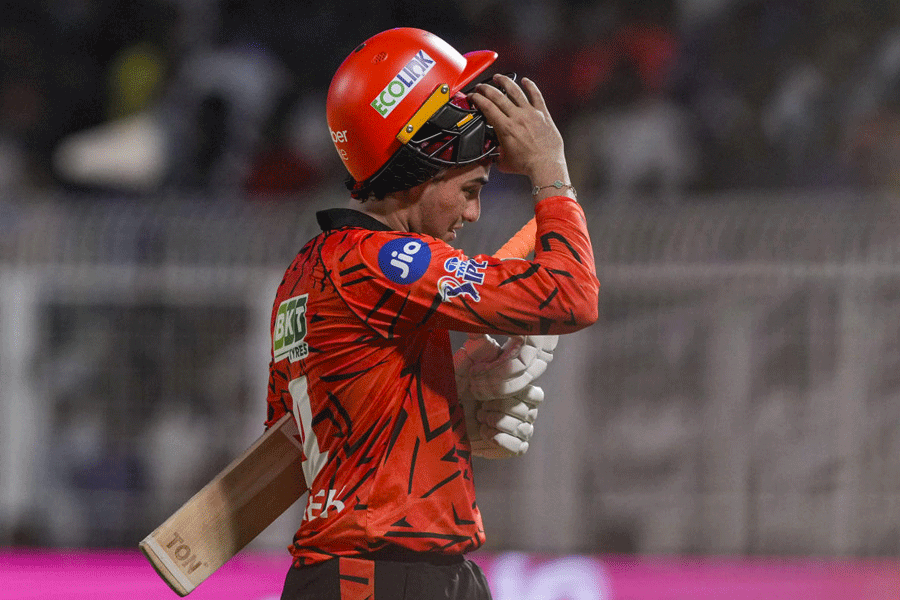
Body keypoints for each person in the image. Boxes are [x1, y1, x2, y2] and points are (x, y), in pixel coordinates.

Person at [265, 27, 599, 600]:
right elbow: (569, 294)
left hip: (383, 568)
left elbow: (309, 444)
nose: (473, 213)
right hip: (380, 574)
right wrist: (551, 171)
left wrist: (447, 415)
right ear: (424, 160)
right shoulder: (383, 262)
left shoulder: (309, 271)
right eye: (470, 188)